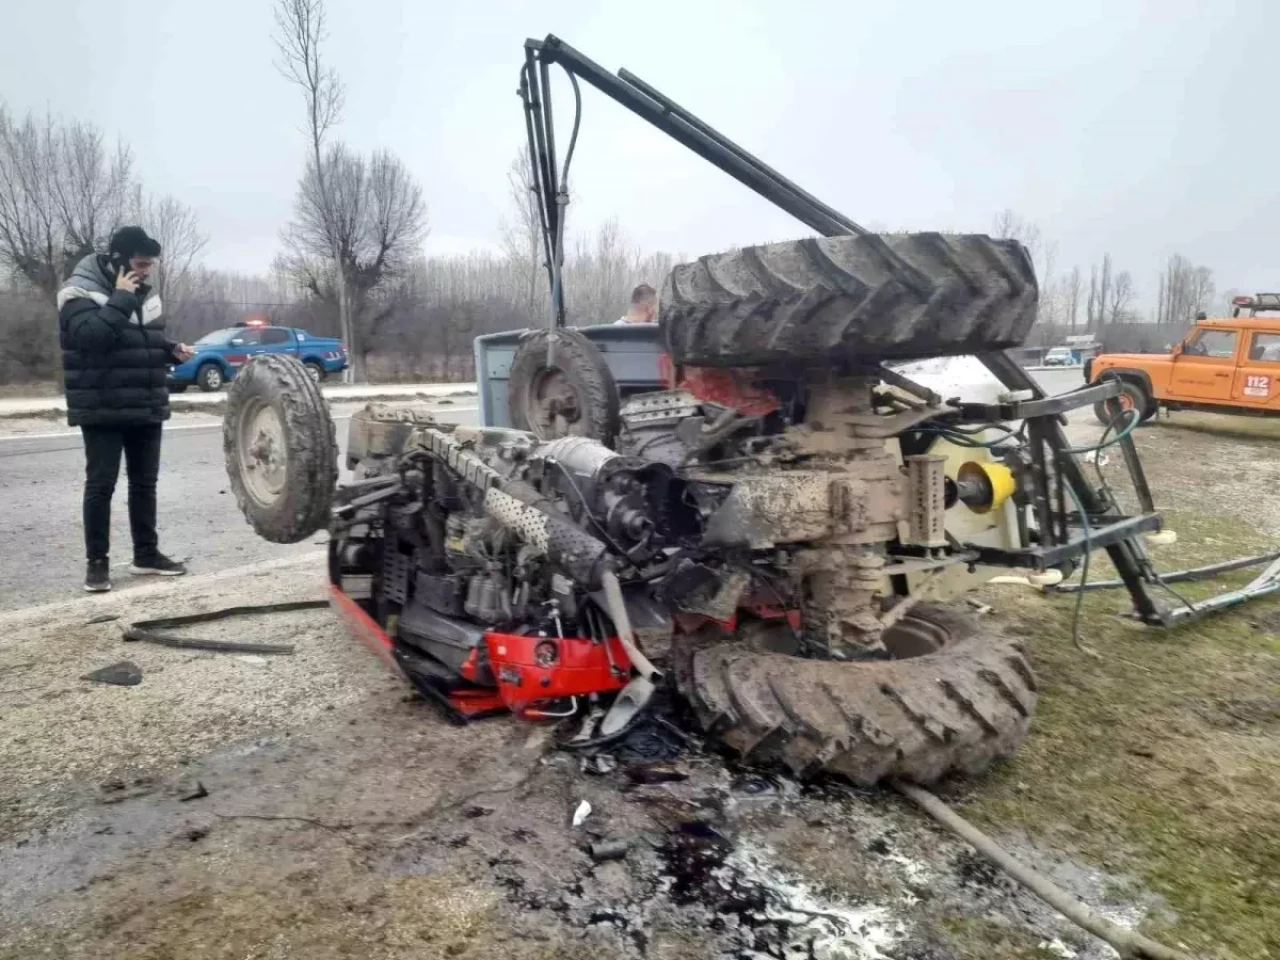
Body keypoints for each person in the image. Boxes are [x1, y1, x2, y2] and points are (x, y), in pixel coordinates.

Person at [57, 226, 194, 592]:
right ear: (119, 260)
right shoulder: (78, 292)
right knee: (101, 486)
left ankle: (145, 555)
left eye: (150, 264)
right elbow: (90, 339)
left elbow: (134, 338)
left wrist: (168, 348)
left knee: (144, 484)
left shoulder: (143, 293)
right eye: (140, 263)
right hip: (102, 404)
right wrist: (121, 296)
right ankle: (97, 563)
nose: (146, 270)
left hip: (145, 402)